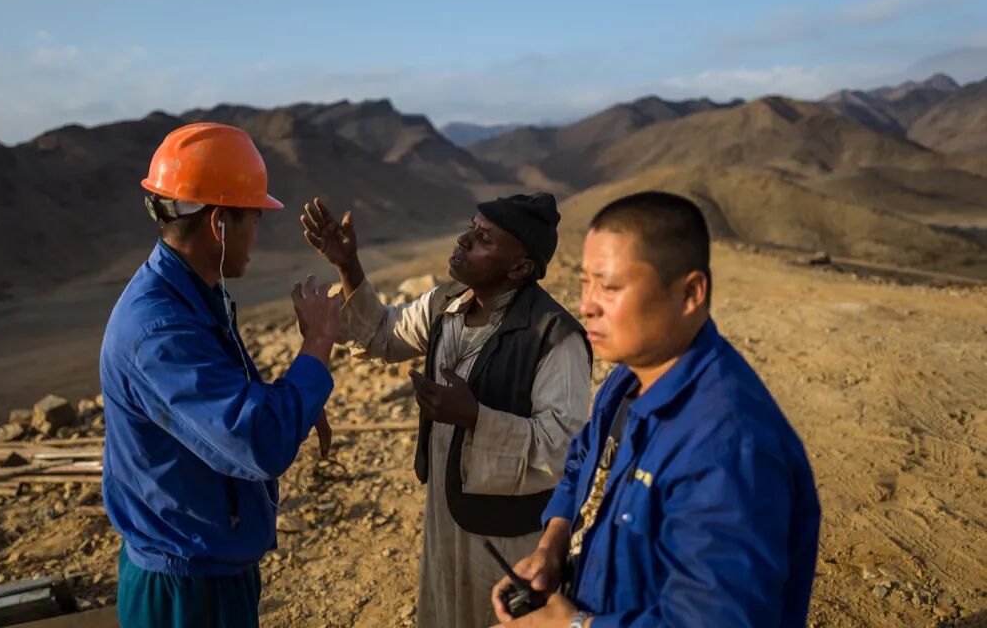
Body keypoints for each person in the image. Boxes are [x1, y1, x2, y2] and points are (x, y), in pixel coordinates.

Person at [492, 191, 821, 628]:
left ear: (690, 293)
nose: (587, 305)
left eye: (609, 287)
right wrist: (551, 546)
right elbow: (582, 461)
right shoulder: (629, 378)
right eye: (585, 282)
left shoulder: (729, 444)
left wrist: (574, 626)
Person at [302, 193, 592, 627]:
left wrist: (476, 418)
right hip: (445, 513)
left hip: (508, 535)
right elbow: (383, 334)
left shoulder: (556, 338)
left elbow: (564, 450)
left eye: (484, 239)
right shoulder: (446, 304)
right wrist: (348, 265)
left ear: (519, 268)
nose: (463, 240)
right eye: (471, 228)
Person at [100, 122, 340, 627]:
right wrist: (318, 343)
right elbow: (257, 443)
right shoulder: (161, 330)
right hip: (184, 588)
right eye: (253, 218)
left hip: (207, 565)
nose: (256, 235)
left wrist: (297, 400)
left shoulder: (191, 294)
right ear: (220, 224)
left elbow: (224, 406)